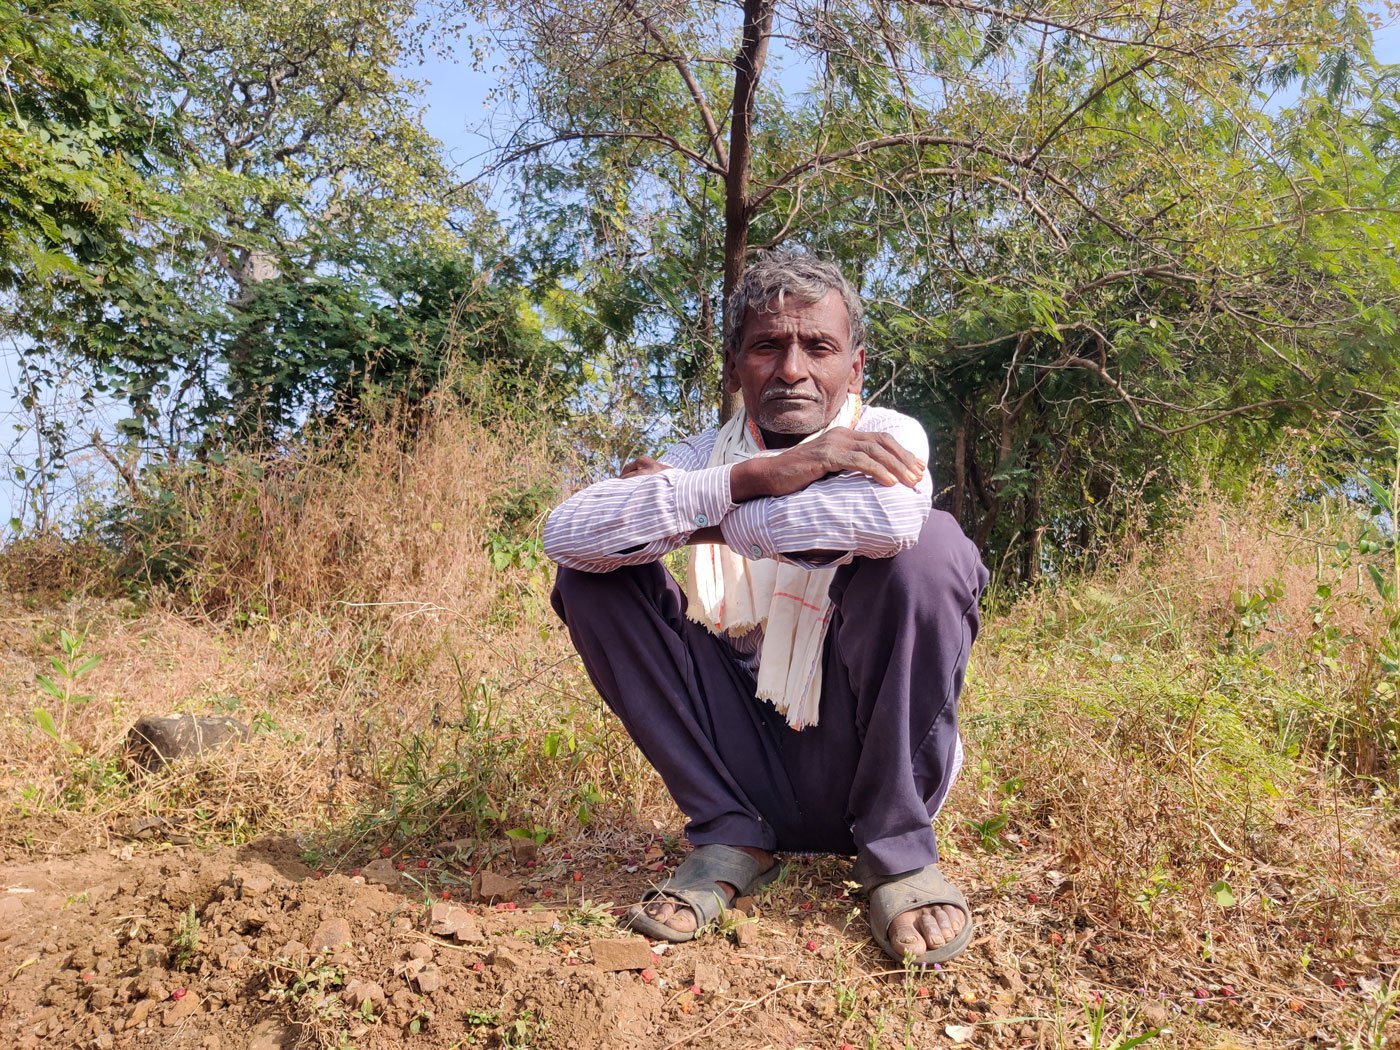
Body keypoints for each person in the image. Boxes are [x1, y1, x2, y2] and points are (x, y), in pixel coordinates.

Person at [544, 248, 988, 965]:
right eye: (766, 347)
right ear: (734, 367)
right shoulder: (702, 453)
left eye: (818, 347)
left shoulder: (892, 436)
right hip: (739, 759)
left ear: (856, 366)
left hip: (861, 758)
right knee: (590, 578)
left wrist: (708, 507)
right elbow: (565, 533)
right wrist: (756, 474)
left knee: (931, 552)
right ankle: (730, 833)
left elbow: (887, 524)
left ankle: (897, 850)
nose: (791, 370)